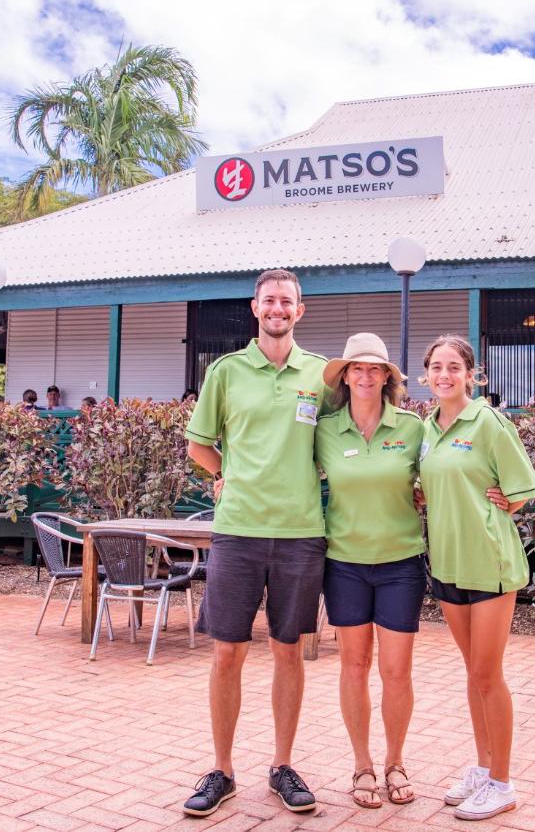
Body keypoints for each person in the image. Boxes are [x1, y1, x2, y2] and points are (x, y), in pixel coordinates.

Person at [182, 268, 330, 818]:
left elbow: (339, 443)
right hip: (239, 531)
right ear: (254, 307)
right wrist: (227, 475)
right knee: (227, 653)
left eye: (286, 301)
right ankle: (221, 770)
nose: (277, 309)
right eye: (269, 300)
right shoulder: (226, 372)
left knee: (289, 652)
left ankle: (283, 765)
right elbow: (199, 444)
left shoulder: (321, 375)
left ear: (299, 310)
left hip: (300, 533)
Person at [418, 334, 535, 821]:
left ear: (472, 374)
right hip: (448, 562)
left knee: (488, 674)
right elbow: (426, 483)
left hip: (489, 563)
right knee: (473, 673)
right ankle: (484, 767)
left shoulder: (488, 421)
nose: (444, 375)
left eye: (453, 367)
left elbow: (523, 485)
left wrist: (508, 502)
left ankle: (503, 783)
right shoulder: (426, 428)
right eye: (435, 367)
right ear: (426, 374)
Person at [314, 333, 425, 810]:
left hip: (401, 563)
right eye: (356, 368)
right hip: (344, 564)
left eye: (374, 369)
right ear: (344, 376)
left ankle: (396, 761)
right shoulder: (323, 430)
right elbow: (284, 470)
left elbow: (442, 471)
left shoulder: (413, 427)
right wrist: (225, 480)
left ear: (386, 378)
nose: (364, 376)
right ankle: (361, 765)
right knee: (354, 667)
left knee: (396, 672)